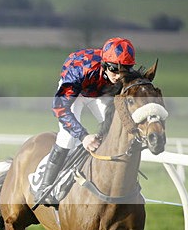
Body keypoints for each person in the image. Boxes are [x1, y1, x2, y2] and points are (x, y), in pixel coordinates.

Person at [35, 37, 136, 204]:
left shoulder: (121, 76)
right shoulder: (79, 70)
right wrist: (84, 137)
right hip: (75, 92)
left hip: (98, 93)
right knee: (68, 138)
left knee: (114, 129)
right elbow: (60, 108)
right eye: (114, 70)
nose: (118, 77)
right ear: (105, 65)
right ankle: (44, 187)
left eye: (124, 71)